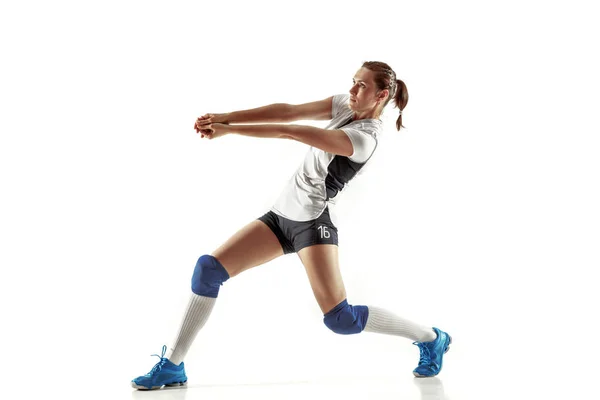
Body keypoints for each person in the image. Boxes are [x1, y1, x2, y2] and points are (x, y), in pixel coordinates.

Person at [131, 61, 452, 390]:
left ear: (381, 95)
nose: (353, 91)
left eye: (362, 87)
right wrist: (224, 116)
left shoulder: (363, 139)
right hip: (280, 217)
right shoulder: (347, 103)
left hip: (313, 226)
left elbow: (290, 130)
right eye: (353, 82)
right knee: (208, 270)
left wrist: (228, 129)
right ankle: (173, 365)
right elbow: (287, 112)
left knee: (341, 319)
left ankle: (431, 338)